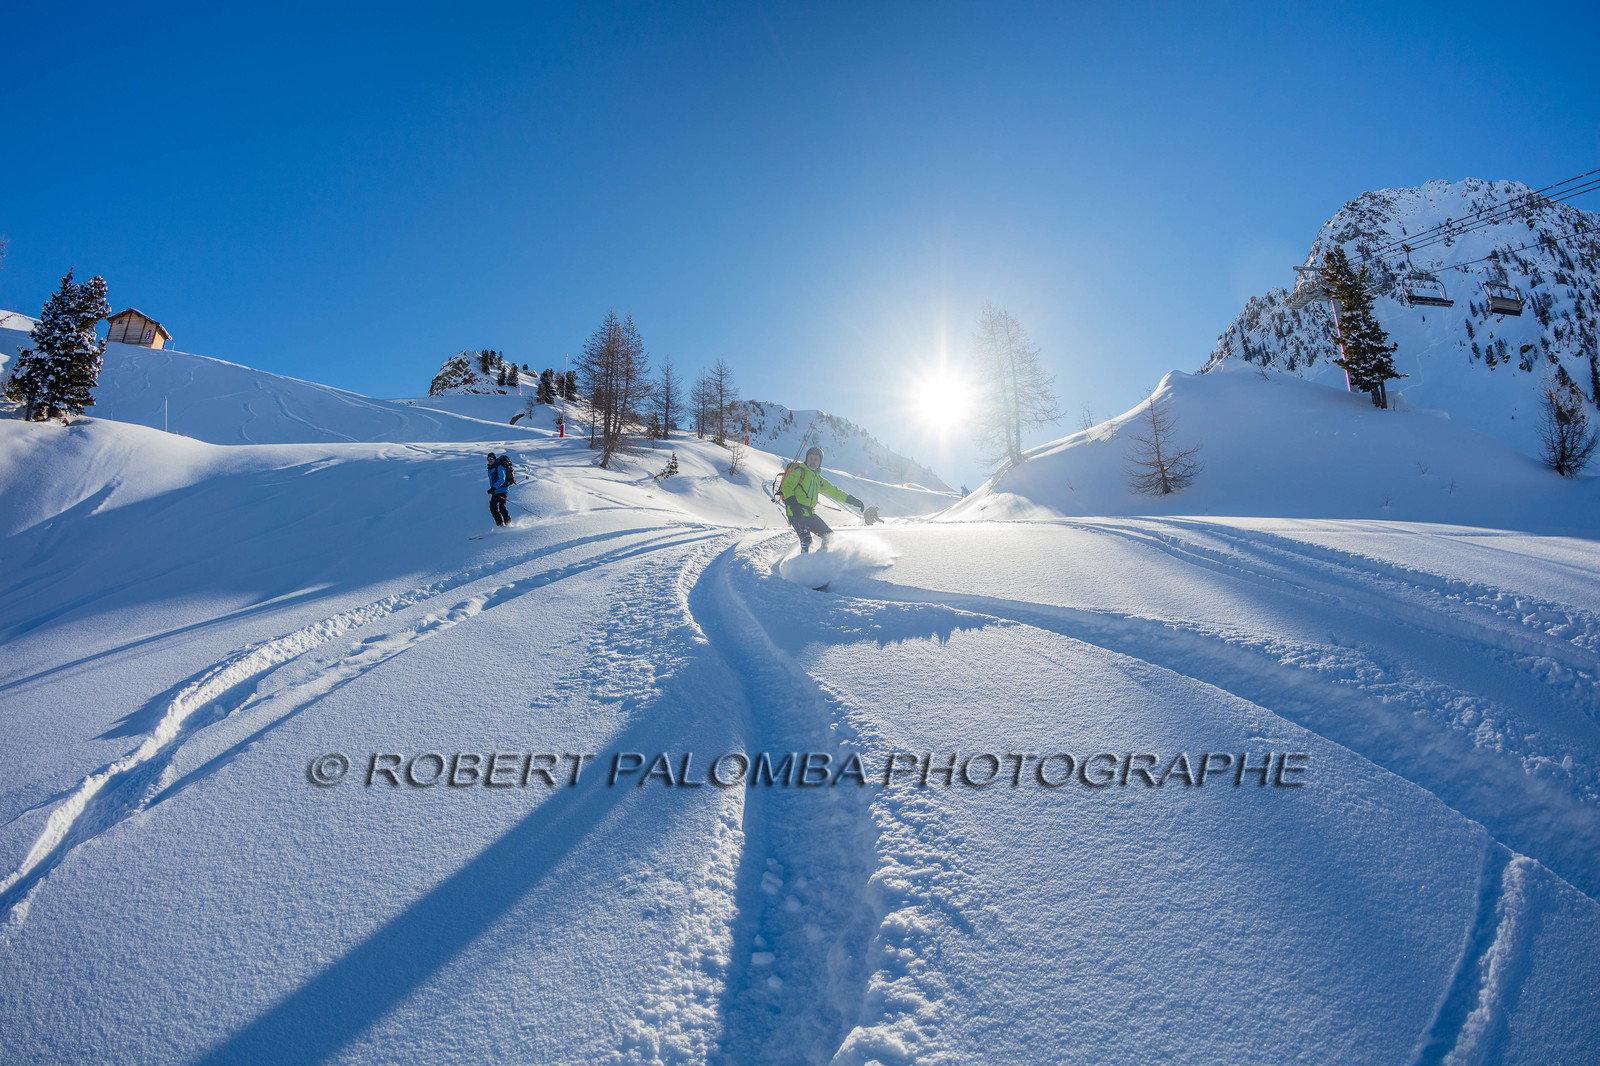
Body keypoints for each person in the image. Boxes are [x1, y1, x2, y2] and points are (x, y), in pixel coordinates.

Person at [779, 445, 868, 553]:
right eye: (810, 458)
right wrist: (793, 505)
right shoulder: (799, 472)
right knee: (806, 541)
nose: (812, 461)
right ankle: (802, 565)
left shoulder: (818, 479)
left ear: (819, 462)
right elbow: (787, 487)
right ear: (807, 459)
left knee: (829, 537)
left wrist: (853, 501)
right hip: (796, 513)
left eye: (815, 460)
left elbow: (835, 491)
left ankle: (819, 559)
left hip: (810, 513)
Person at [486, 452, 511, 526]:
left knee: (502, 508)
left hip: (503, 490)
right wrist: (492, 489)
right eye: (488, 459)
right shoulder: (490, 468)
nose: (490, 460)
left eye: (491, 458)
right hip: (496, 491)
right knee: (493, 508)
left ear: (494, 459)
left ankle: (509, 524)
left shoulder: (499, 467)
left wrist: (493, 487)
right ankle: (501, 525)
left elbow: (502, 479)